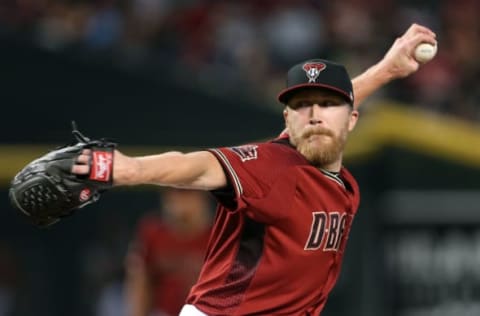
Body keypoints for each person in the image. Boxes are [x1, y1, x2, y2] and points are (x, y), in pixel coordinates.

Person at [73, 23, 436, 315]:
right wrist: (125, 168)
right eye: (302, 106)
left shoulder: (340, 179)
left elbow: (330, 120)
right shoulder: (272, 165)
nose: (314, 115)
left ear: (353, 118)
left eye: (326, 104)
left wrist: (387, 70)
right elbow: (197, 166)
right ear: (287, 120)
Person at [125, 188, 213, 316]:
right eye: (173, 193)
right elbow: (140, 281)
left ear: (202, 197)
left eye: (186, 193)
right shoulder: (153, 233)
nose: (178, 202)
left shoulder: (219, 236)